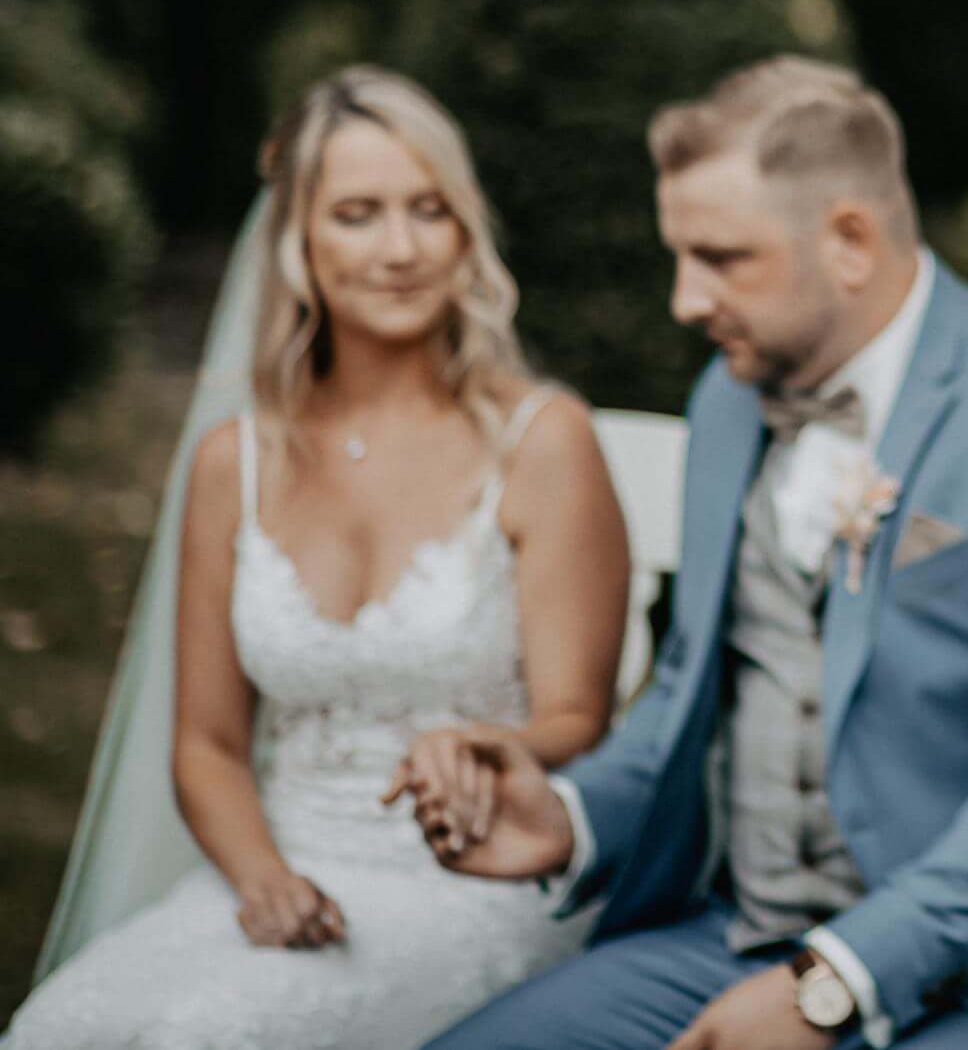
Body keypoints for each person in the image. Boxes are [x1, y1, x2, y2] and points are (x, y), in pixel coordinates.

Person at [407, 57, 968, 1050]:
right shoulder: (728, 396)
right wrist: (570, 818)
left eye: (721, 257)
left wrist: (838, 979)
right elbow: (694, 687)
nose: (684, 299)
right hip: (743, 939)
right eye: (679, 257)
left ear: (850, 241)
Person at [7, 69, 631, 1050]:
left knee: (207, 1038)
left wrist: (485, 747)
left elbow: (577, 717)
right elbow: (207, 743)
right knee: (57, 1027)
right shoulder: (235, 462)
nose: (401, 248)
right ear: (297, 238)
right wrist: (262, 878)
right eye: (357, 214)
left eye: (430, 209)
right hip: (272, 869)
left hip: (477, 881)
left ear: (466, 231)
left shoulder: (543, 440)